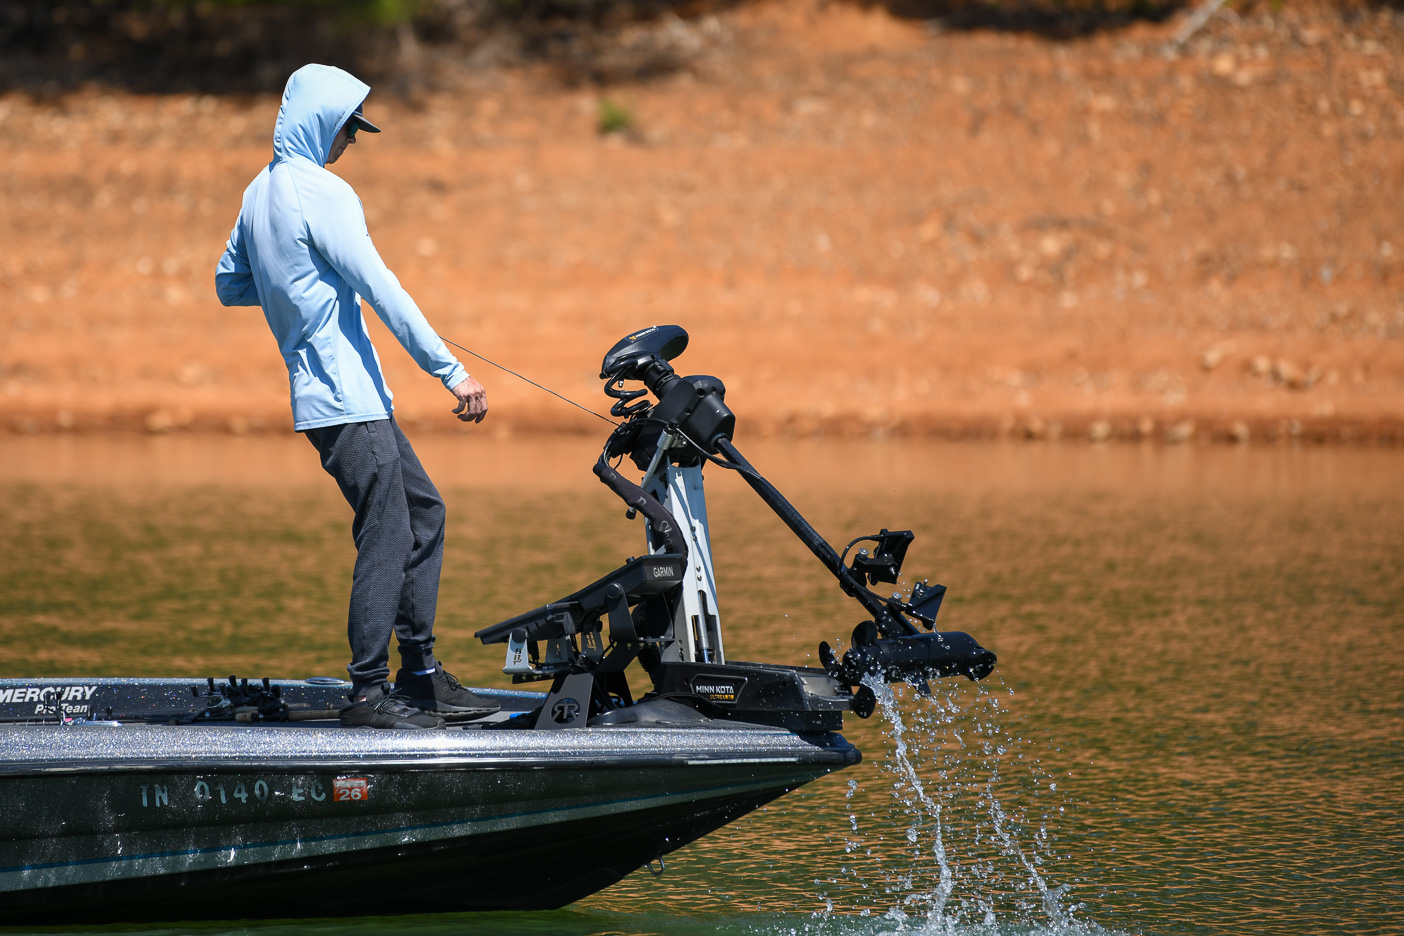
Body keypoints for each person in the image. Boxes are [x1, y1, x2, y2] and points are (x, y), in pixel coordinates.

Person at [215, 63, 498, 730]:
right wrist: (451, 371)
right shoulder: (325, 192)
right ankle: (369, 692)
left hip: (333, 403)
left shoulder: (259, 191)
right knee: (389, 532)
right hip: (348, 401)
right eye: (348, 130)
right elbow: (381, 286)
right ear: (323, 124)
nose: (351, 143)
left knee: (424, 512)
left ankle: (420, 675)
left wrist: (294, 281)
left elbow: (230, 283)